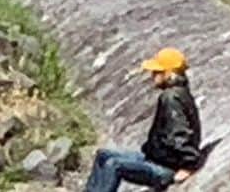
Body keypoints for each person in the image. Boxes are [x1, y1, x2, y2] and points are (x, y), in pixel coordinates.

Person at [84, 47, 202, 192]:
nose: (153, 75)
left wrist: (188, 165)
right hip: (154, 159)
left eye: (157, 72)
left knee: (113, 165)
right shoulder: (175, 94)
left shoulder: (171, 98)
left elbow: (180, 132)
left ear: (169, 73)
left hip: (166, 168)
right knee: (103, 155)